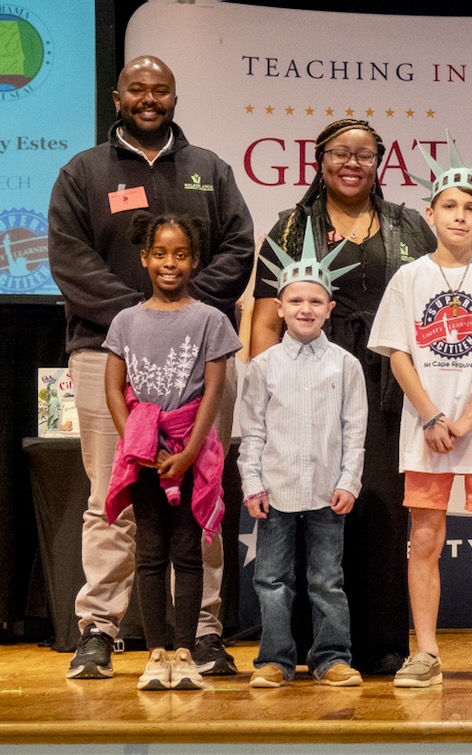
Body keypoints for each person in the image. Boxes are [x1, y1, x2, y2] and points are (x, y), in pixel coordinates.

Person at [48, 55, 252, 680]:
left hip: (201, 357)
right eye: (136, 89)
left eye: (160, 90)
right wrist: (139, 320)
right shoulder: (83, 172)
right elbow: (70, 260)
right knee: (110, 494)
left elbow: (238, 248)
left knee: (203, 490)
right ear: (117, 98)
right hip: (107, 354)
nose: (148, 98)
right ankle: (99, 630)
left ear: (174, 97)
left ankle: (203, 632)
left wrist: (185, 316)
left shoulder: (209, 170)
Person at [248, 118, 436, 676]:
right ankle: (305, 647)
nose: (352, 163)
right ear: (320, 160)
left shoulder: (407, 225)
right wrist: (269, 392)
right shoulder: (290, 228)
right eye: (340, 153)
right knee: (306, 509)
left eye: (364, 154)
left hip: (386, 384)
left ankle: (378, 643)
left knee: (376, 510)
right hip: (305, 383)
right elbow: (264, 320)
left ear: (379, 163)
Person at [368, 139, 472, 689]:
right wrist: (432, 416)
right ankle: (427, 652)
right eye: (449, 207)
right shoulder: (409, 278)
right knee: (424, 538)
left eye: (469, 208)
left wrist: (465, 418)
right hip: (427, 428)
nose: (459, 216)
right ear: (431, 214)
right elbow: (397, 353)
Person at [103, 213, 243, 691]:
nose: (170, 263)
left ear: (195, 260)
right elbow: (114, 387)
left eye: (180, 254)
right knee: (148, 552)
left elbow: (214, 393)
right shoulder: (125, 321)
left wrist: (188, 453)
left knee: (187, 552)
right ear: (144, 258)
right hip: (144, 456)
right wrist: (136, 446)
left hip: (190, 454)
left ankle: (185, 650)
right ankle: (156, 653)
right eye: (160, 254)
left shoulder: (211, 320)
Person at [240, 222, 367, 689]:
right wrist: (252, 484)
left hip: (327, 491)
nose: (305, 309)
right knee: (272, 580)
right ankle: (274, 660)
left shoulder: (346, 365)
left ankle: (331, 657)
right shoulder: (263, 366)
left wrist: (349, 481)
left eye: (316, 301)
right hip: (275, 493)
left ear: (330, 308)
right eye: (295, 301)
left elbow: (355, 430)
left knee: (326, 580)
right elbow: (252, 432)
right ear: (279, 307)